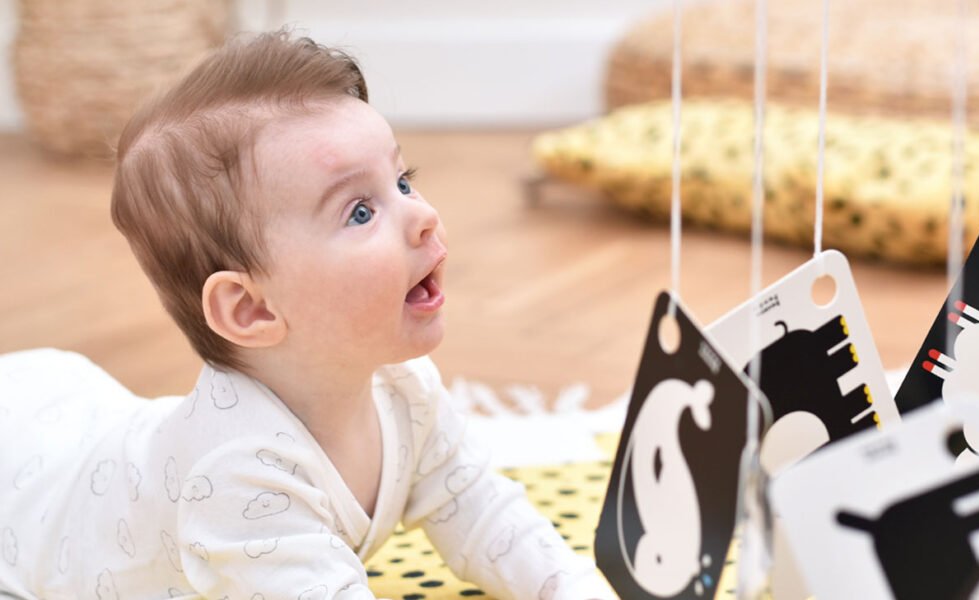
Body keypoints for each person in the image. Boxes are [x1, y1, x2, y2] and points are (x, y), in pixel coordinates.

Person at [0, 30, 615, 599]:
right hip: (24, 487)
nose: (422, 214)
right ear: (251, 308)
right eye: (359, 211)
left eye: (403, 181)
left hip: (69, 406)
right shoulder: (238, 477)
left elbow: (482, 509)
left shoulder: (402, 389)